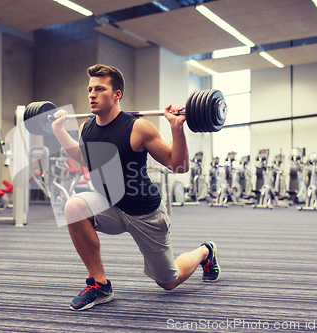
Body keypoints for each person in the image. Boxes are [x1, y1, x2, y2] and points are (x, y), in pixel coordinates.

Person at [51, 64, 220, 311]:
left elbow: (179, 165)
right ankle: (99, 285)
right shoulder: (87, 127)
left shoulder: (138, 127)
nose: (91, 94)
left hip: (144, 213)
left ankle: (205, 251)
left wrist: (176, 128)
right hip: (109, 205)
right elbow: (85, 158)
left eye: (99, 89)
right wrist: (57, 131)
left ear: (117, 94)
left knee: (169, 281)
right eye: (90, 89)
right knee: (74, 206)